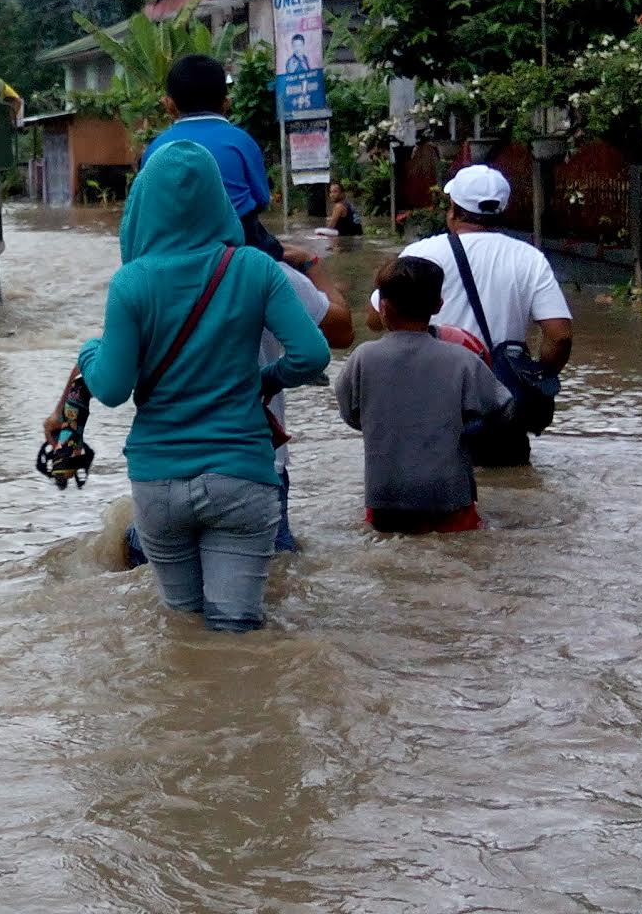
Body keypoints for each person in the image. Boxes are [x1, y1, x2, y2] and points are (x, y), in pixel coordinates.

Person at [62, 141, 329, 631]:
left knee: (183, 628)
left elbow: (113, 387)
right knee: (236, 631)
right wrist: (263, 381)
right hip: (242, 476)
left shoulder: (132, 283)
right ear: (219, 203)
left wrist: (87, 353)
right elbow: (312, 355)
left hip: (158, 482)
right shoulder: (256, 268)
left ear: (143, 205)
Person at [370, 163, 571, 463]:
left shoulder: (421, 254)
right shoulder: (530, 258)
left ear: (453, 208)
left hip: (431, 403)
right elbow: (560, 335)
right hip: (504, 408)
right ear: (501, 210)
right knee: (512, 493)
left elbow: (375, 319)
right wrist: (536, 377)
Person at [336, 255, 514, 535]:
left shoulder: (362, 358)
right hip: (449, 499)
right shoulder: (463, 360)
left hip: (385, 501)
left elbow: (351, 415)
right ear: (438, 305)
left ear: (382, 307)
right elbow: (503, 410)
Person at [136, 53, 282, 258]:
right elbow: (261, 200)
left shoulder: (154, 148)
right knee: (297, 261)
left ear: (168, 105)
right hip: (240, 241)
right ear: (226, 103)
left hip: (174, 245)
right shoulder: (241, 141)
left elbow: (146, 209)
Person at [265, 242, 352, 551]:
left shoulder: (140, 275)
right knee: (271, 576)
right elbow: (338, 334)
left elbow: (114, 384)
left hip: (162, 465)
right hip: (253, 459)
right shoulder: (267, 270)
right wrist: (312, 264)